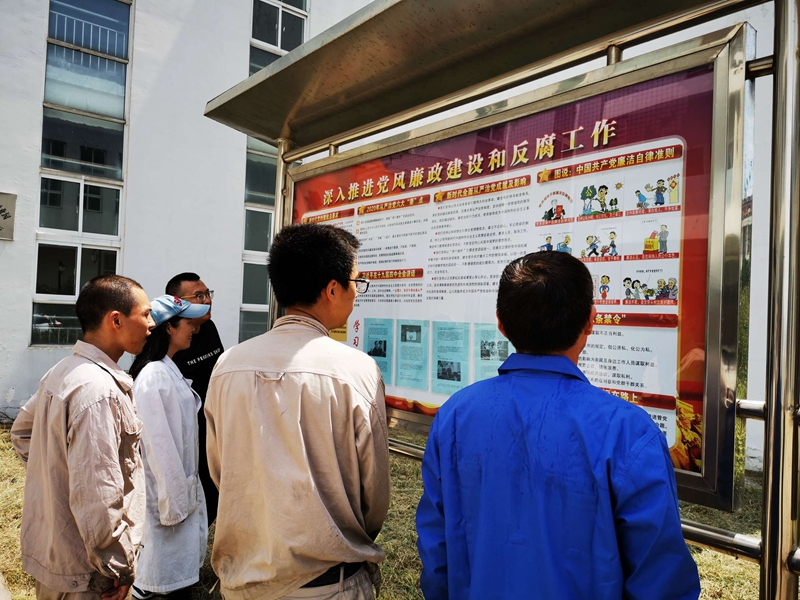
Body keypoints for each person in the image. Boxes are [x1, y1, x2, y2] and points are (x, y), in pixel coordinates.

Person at [416, 251, 700, 599]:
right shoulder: (627, 431)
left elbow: (436, 551)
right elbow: (661, 579)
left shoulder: (455, 415)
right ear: (591, 321)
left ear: (500, 324)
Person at [205, 223, 390, 600]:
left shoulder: (228, 365)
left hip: (244, 582)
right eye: (357, 281)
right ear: (333, 289)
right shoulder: (356, 370)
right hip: (329, 585)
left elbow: (221, 470)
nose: (357, 291)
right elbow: (373, 496)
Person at [10, 275, 154, 600]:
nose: (151, 324)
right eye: (145, 314)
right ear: (116, 320)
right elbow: (99, 499)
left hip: (59, 560)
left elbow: (21, 431)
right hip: (89, 575)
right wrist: (118, 568)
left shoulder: (64, 370)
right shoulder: (99, 391)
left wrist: (57, 476)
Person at [129, 295, 211, 600]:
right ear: (168, 328)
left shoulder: (166, 370)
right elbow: (159, 446)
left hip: (178, 495)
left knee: (173, 580)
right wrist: (175, 505)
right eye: (188, 323)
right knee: (159, 583)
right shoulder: (154, 376)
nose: (194, 329)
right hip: (167, 501)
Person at [165, 272, 223, 525]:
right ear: (177, 303)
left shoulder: (209, 328)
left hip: (213, 424)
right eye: (198, 296)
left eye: (207, 293)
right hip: (186, 431)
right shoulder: (168, 339)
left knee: (215, 490)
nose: (207, 300)